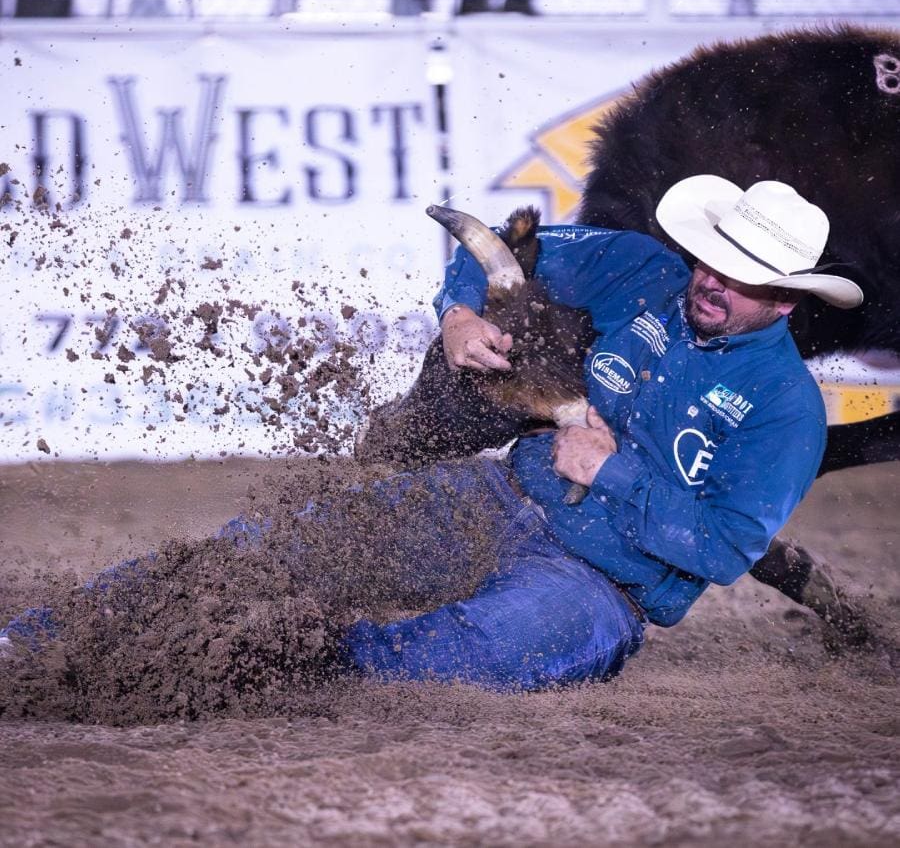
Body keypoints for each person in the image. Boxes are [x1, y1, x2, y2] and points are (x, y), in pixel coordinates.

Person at [2, 176, 864, 693]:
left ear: (787, 298)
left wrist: (610, 474)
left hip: (603, 587)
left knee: (447, 660)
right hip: (496, 497)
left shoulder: (786, 412)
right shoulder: (646, 269)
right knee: (263, 550)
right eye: (713, 258)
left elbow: (720, 549)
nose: (712, 281)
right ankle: (36, 640)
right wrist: (457, 310)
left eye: (743, 277)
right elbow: (507, 248)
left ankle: (228, 672)